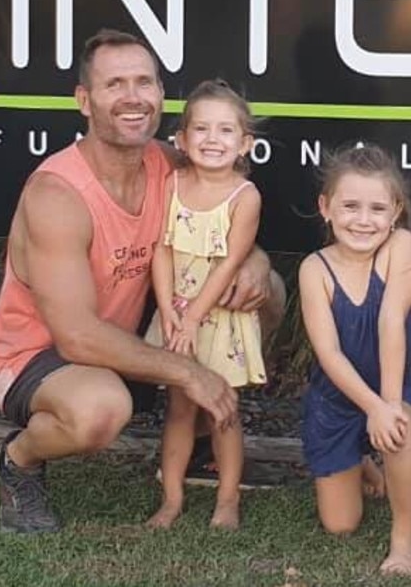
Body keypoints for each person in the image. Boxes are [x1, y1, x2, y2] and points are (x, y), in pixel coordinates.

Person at [0, 29, 284, 534]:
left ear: (161, 95)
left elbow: (223, 224)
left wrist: (254, 258)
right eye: (114, 84)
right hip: (42, 354)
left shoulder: (167, 163)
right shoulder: (58, 193)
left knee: (266, 290)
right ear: (85, 100)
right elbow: (75, 334)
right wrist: (190, 373)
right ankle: (19, 460)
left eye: (144, 82)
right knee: (101, 409)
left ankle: (202, 435)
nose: (132, 97)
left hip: (126, 340)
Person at [298, 144, 411, 576]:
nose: (363, 219)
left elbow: (391, 320)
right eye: (350, 206)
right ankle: (363, 462)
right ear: (326, 208)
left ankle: (403, 539)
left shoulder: (401, 247)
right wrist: (369, 407)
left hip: (391, 384)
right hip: (336, 398)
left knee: (399, 430)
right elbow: (329, 353)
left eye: (377, 208)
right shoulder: (314, 269)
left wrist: (387, 407)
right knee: (340, 525)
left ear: (395, 212)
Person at [145, 80, 266, 530]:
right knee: (179, 409)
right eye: (201, 129)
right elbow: (160, 248)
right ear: (181, 139)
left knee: (222, 410)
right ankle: (171, 499)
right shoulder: (170, 183)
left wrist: (194, 316)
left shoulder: (244, 197)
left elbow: (232, 261)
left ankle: (227, 500)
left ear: (244, 144)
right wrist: (171, 312)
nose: (212, 140)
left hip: (218, 320)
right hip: (176, 318)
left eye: (225, 131)